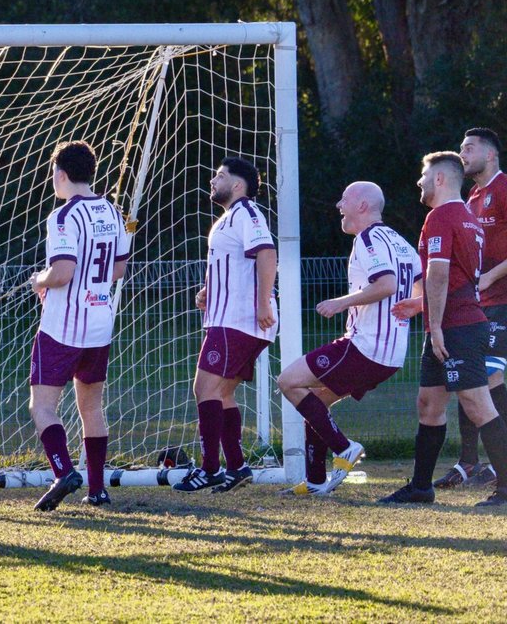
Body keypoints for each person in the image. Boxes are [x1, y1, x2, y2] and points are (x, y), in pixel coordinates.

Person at [276, 182, 417, 495]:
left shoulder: (368, 238)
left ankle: (344, 448)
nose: (339, 206)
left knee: (289, 381)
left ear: (362, 206)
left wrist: (341, 303)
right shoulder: (401, 243)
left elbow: (387, 284)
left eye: (344, 200)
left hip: (366, 347)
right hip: (392, 354)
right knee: (315, 403)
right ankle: (315, 481)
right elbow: (420, 287)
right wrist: (414, 307)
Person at [383, 152, 507, 506]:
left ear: (439, 179)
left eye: (424, 176)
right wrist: (424, 310)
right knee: (429, 404)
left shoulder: (441, 215)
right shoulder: (468, 217)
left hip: (457, 328)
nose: (419, 182)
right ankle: (421, 488)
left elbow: (438, 275)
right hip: (454, 324)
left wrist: (435, 326)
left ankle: (505, 489)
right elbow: (457, 279)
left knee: (478, 405)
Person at [27, 141, 131, 510]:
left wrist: (40, 280)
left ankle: (64, 472)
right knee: (91, 406)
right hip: (100, 322)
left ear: (60, 174)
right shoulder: (112, 211)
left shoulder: (63, 216)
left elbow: (62, 272)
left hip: (64, 326)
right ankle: (98, 489)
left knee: (42, 406)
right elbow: (118, 268)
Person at [174, 157, 277, 494]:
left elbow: (267, 254)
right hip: (227, 318)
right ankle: (236, 466)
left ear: (237, 184)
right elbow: (234, 263)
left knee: (204, 389)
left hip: (238, 320)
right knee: (222, 392)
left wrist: (263, 302)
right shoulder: (228, 218)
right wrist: (208, 291)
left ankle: (210, 469)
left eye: (219, 176)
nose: (212, 180)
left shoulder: (247, 212)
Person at [435, 127, 507, 489]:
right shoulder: (472, 196)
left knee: (488, 378)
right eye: (461, 148)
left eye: (469, 148)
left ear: (490, 154)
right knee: (471, 378)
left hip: (502, 301)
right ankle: (469, 463)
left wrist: (489, 277)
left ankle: (498, 463)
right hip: (480, 304)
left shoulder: (504, 188)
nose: (462, 154)